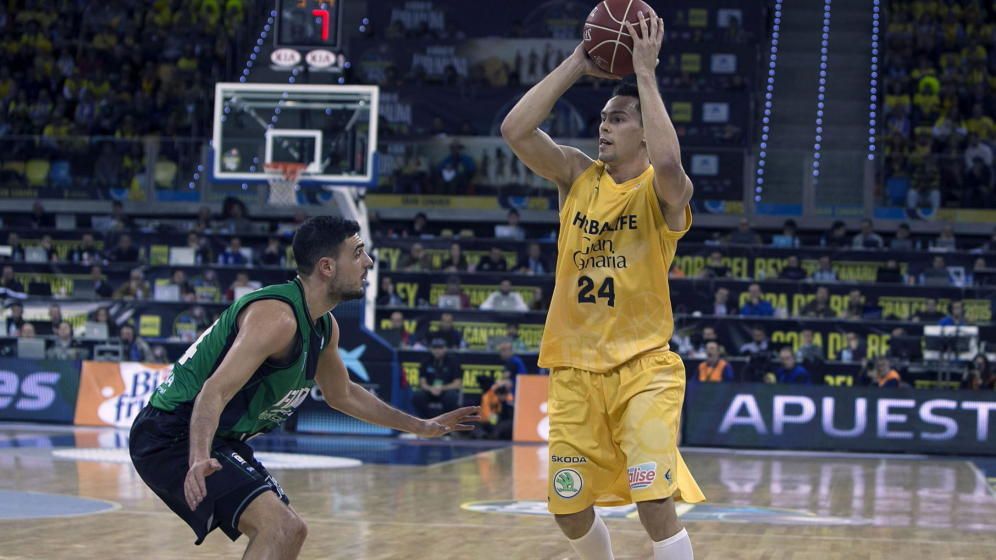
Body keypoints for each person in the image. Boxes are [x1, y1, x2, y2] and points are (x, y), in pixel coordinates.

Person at [130, 217, 479, 556]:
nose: (369, 262)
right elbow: (213, 391)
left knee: (291, 532)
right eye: (358, 253)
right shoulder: (277, 317)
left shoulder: (324, 326)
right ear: (327, 266)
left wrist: (420, 426)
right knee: (279, 529)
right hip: (172, 435)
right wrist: (199, 457)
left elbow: (342, 394)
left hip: (218, 436)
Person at [502, 15, 704, 559]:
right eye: (603, 118)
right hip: (573, 369)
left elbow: (667, 159)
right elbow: (515, 131)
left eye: (618, 119)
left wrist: (644, 73)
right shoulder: (576, 175)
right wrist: (577, 62)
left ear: (643, 128)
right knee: (567, 508)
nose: (604, 127)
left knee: (653, 500)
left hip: (643, 369)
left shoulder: (664, 191)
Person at [411, 338, 463, 418]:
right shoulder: (426, 361)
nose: (437, 350)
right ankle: (426, 421)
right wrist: (431, 389)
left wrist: (441, 388)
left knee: (452, 397)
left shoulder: (453, 362)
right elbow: (422, 383)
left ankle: (446, 422)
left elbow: (457, 384)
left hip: (445, 390)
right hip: (430, 390)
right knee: (418, 396)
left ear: (445, 348)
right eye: (435, 348)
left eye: (440, 348)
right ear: (431, 349)